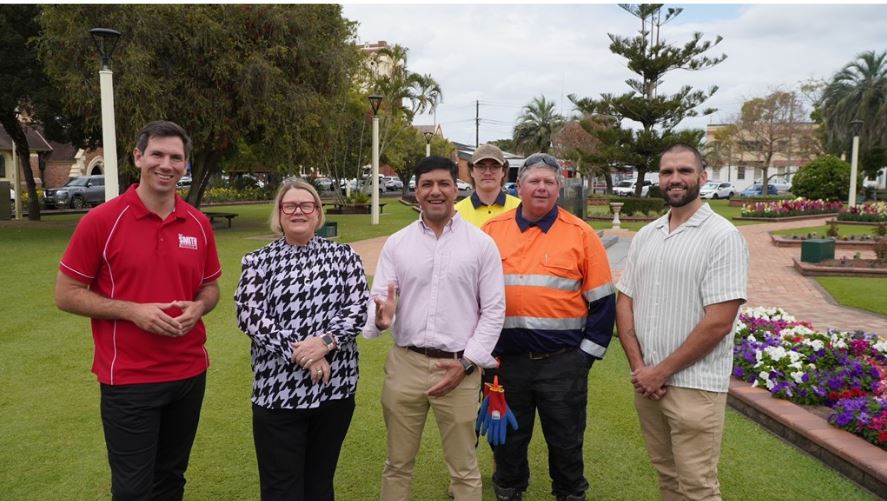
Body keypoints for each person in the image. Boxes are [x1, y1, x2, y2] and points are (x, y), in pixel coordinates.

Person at [54, 120, 221, 500]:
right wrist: (133, 311)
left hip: (189, 373)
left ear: (185, 164)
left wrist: (200, 306)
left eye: (176, 157)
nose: (166, 164)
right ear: (138, 157)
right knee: (132, 489)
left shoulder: (197, 223)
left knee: (171, 479)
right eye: (157, 154)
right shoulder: (102, 221)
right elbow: (66, 294)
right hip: (129, 379)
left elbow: (210, 287)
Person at [364, 155, 505, 501]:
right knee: (397, 463)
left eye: (444, 183)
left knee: (464, 468)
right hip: (406, 365)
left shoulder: (481, 244)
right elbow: (381, 299)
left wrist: (467, 362)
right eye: (427, 184)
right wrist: (381, 319)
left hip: (459, 368)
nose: (436, 191)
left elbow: (494, 310)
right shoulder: (398, 243)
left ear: (456, 190)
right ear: (416, 192)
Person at [616, 143, 748, 501]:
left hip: (695, 385)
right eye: (667, 172)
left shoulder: (722, 237)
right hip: (648, 384)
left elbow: (719, 322)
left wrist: (661, 371)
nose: (675, 179)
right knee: (667, 478)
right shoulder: (647, 235)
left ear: (703, 177)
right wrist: (642, 368)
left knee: (698, 488)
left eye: (684, 171)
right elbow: (625, 299)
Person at [482, 153, 616, 501]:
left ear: (558, 188)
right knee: (508, 441)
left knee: (566, 440)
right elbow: (472, 296)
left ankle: (570, 493)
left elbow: (603, 302)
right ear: (519, 186)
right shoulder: (492, 232)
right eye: (534, 181)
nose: (541, 187)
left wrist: (583, 358)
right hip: (504, 365)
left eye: (549, 182)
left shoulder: (581, 234)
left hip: (562, 363)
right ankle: (509, 491)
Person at [234, 179, 369, 501]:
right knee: (282, 488)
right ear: (279, 214)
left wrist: (324, 342)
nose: (298, 211)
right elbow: (250, 316)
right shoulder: (258, 261)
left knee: (320, 483)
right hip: (277, 391)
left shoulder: (344, 256)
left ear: (318, 213)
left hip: (334, 389)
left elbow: (358, 308)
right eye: (290, 206)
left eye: (306, 205)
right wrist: (303, 351)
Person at [454, 143, 520, 227]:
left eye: (495, 167)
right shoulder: (456, 213)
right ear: (471, 171)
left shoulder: (520, 209)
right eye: (481, 167)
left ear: (503, 171)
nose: (488, 172)